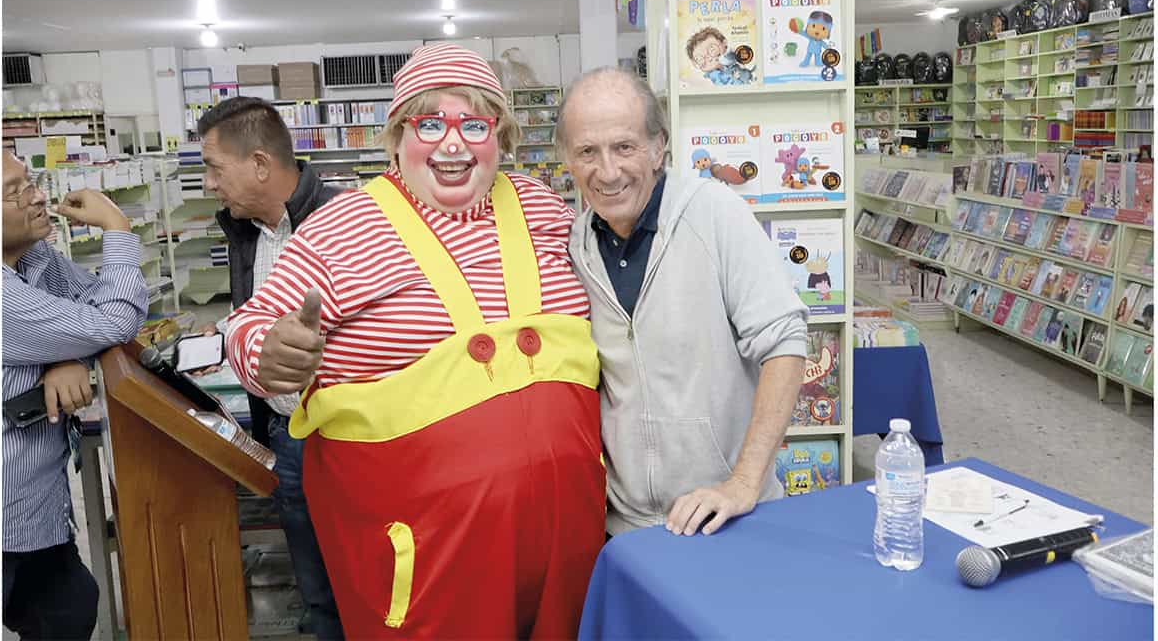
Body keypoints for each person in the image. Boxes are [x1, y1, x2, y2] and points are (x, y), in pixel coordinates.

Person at [224, 43, 605, 639]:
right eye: (430, 123)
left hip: (565, 543)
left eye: (473, 125)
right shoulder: (342, 227)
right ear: (397, 137)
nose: (452, 144)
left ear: (500, 138)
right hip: (424, 555)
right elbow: (251, 327)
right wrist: (269, 355)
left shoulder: (543, 207)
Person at [556, 67, 809, 538]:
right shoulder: (574, 247)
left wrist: (742, 484)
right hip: (627, 528)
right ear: (567, 161)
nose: (607, 171)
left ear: (658, 148)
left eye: (624, 147)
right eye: (587, 151)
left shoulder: (714, 212)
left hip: (727, 519)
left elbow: (786, 343)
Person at [197, 96, 344, 639]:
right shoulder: (244, 230)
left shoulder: (347, 221)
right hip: (288, 434)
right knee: (317, 591)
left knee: (373, 583)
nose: (210, 183)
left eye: (214, 167)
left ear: (260, 164)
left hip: (349, 434)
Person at [1, 150, 149, 639]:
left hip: (34, 509)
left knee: (69, 608)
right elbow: (113, 319)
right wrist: (118, 229)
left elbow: (95, 308)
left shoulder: (33, 256)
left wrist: (67, 355)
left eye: (30, 181)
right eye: (14, 191)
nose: (38, 196)